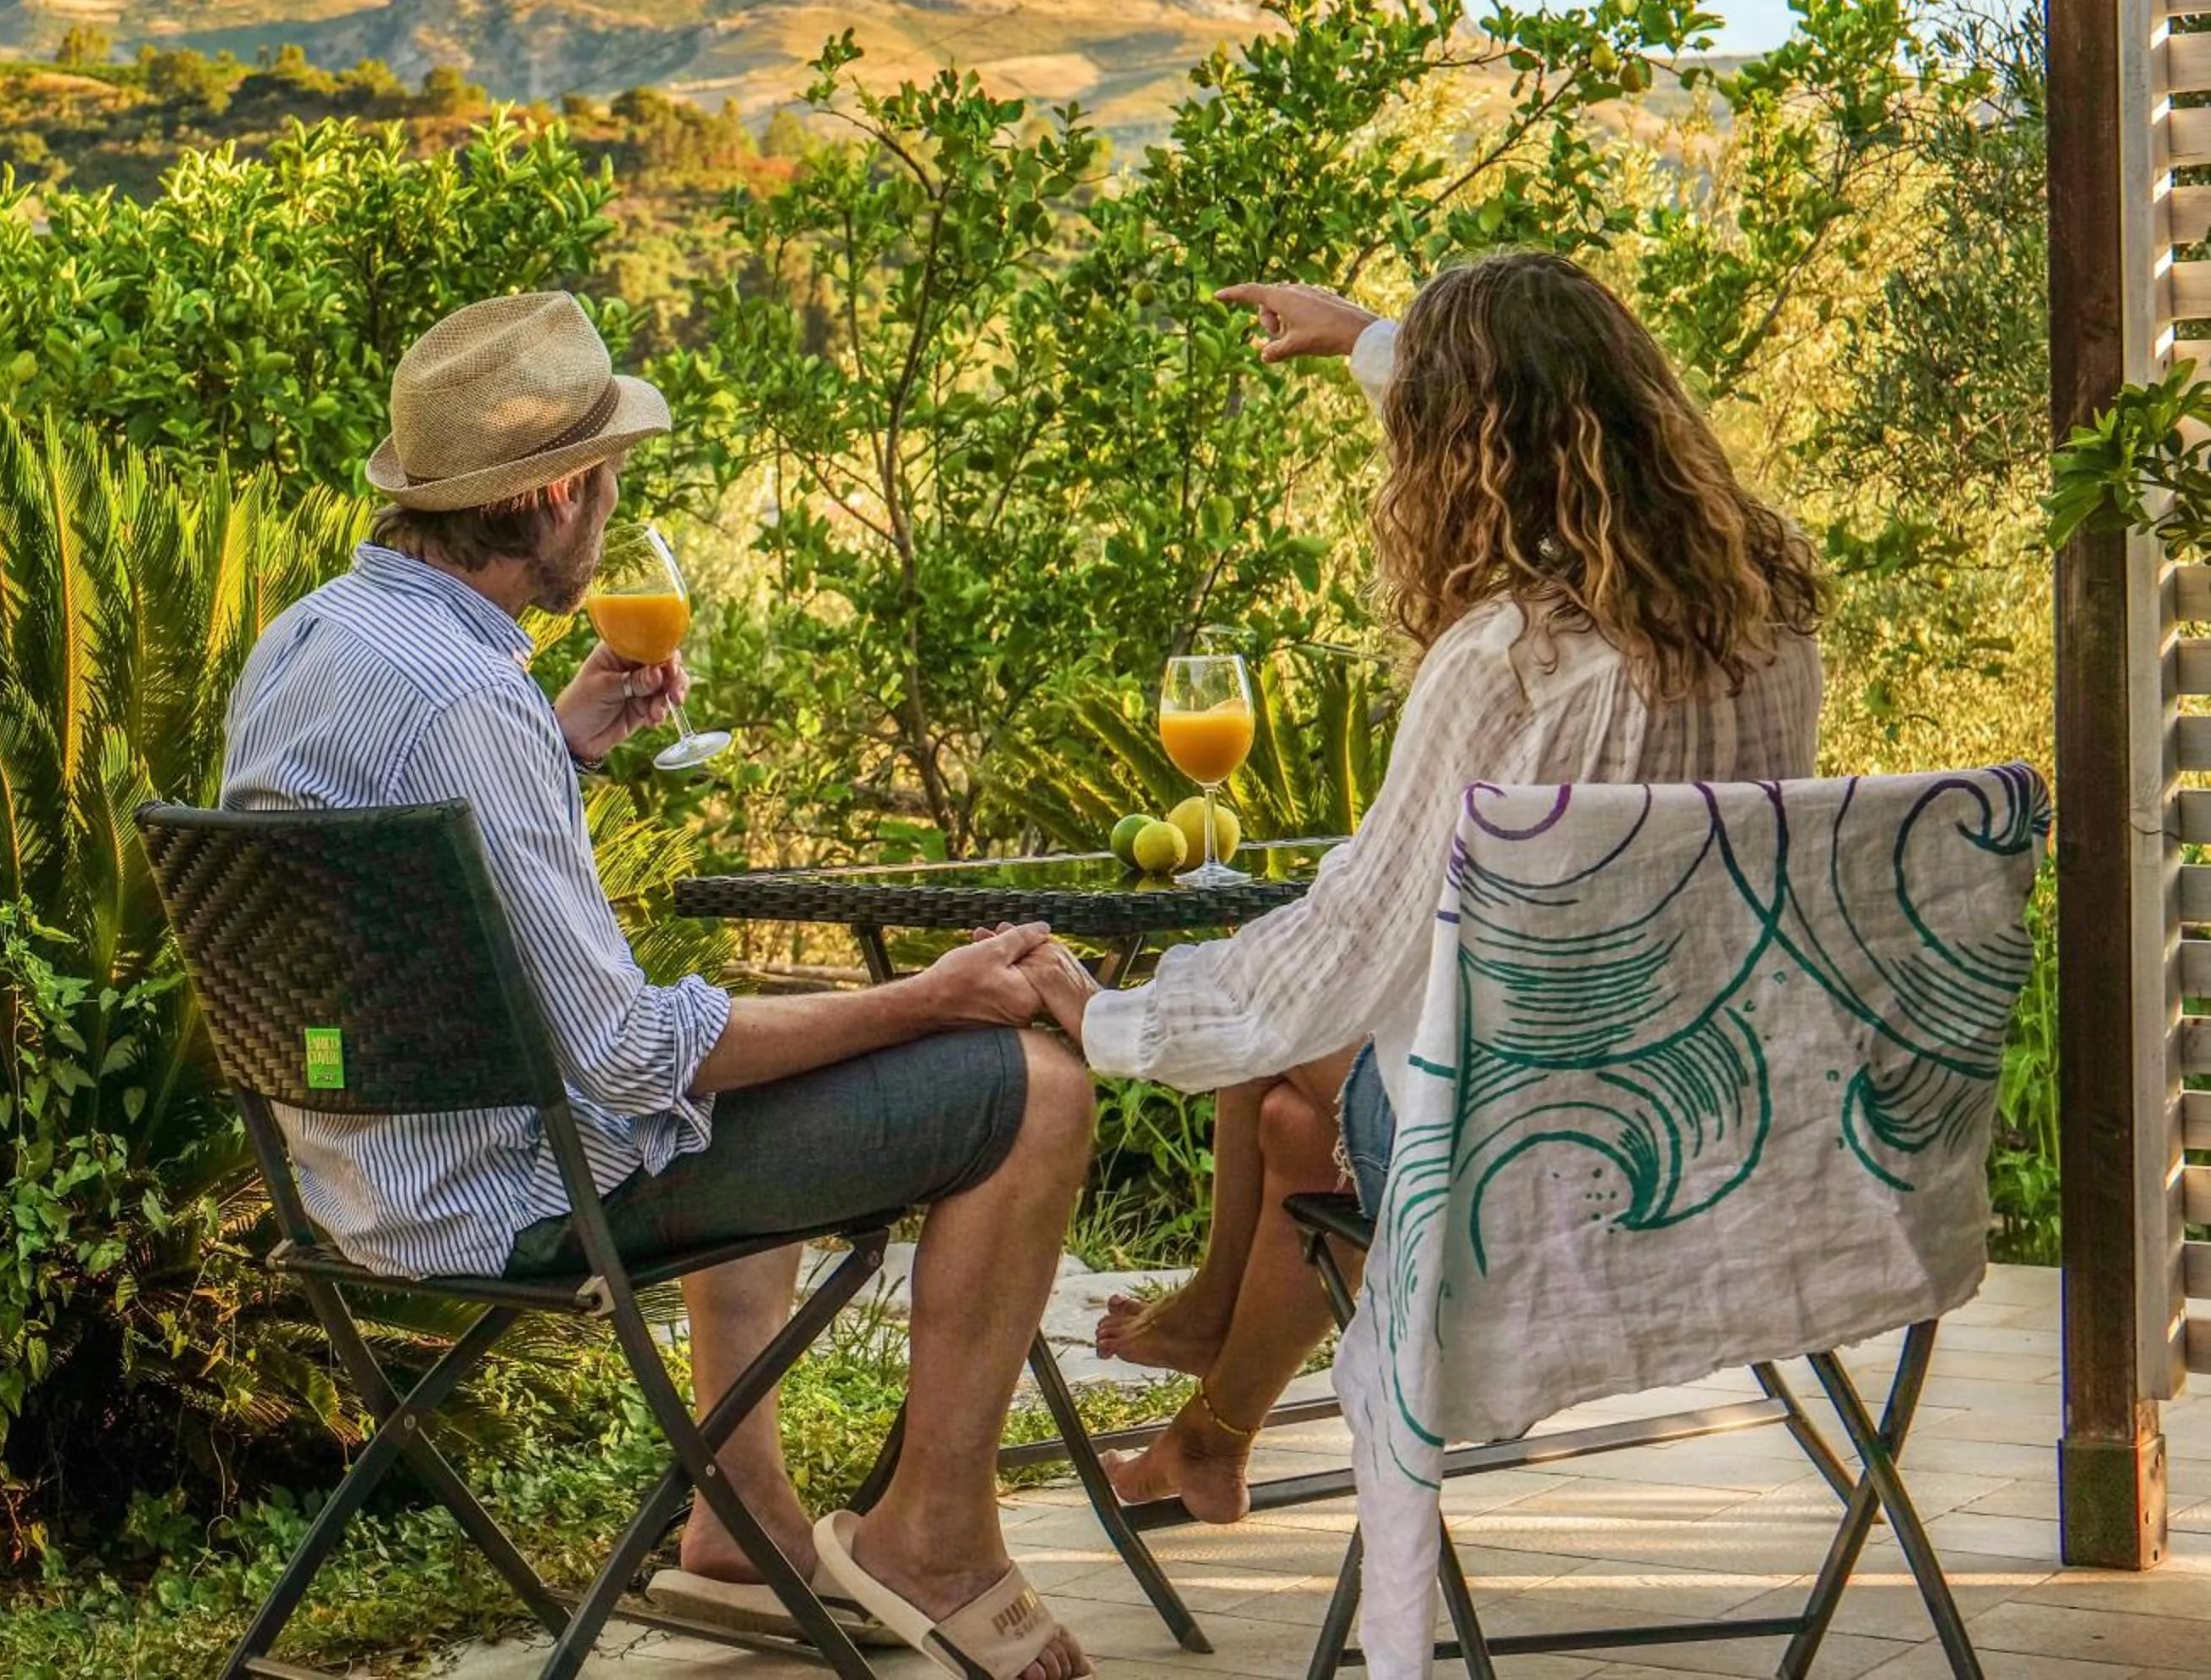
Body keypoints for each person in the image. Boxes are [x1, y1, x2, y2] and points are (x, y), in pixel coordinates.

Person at [221, 293, 1095, 1680]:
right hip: (508, 1201)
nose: (615, 510)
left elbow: (416, 906)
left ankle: (740, 1515)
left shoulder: (312, 642)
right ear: (556, 491)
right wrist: (935, 997)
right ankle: (936, 1533)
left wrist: (556, 743)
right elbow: (634, 1056)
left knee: (757, 1049)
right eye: (611, 481)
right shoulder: (465, 696)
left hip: (358, 1179)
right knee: (1038, 1085)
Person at [1019, 251, 1825, 1525]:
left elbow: (1361, 939)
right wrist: (1368, 342)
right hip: (1724, 1119)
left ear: (1459, 451)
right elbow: (1534, 395)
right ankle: (1212, 1430)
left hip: (1536, 1157)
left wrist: (1108, 1016)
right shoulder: (1766, 606)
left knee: (1281, 1021)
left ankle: (1212, 1342)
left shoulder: (1513, 654)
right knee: (1291, 1111)